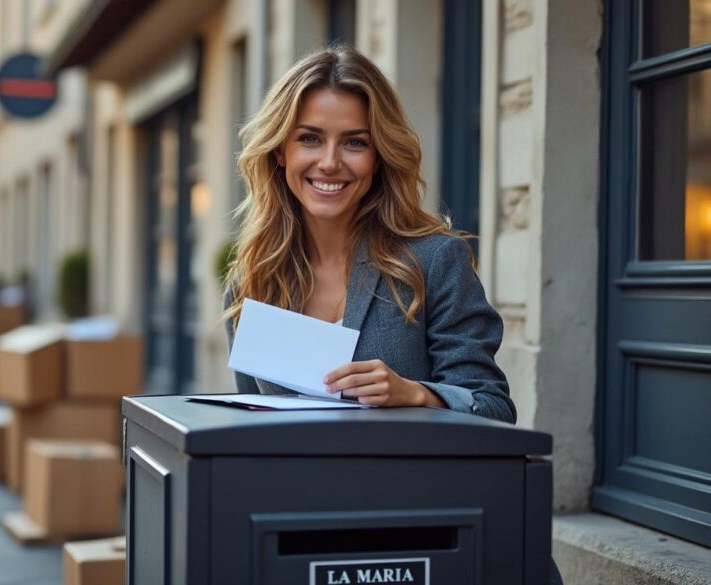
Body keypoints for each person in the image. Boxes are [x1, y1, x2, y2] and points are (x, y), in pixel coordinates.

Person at [223, 46, 562, 584]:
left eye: (354, 142)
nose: (330, 162)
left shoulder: (433, 259)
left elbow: (496, 409)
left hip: (434, 540)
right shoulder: (255, 277)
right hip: (314, 543)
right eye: (310, 137)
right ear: (280, 151)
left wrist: (418, 395)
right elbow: (254, 428)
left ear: (379, 155)